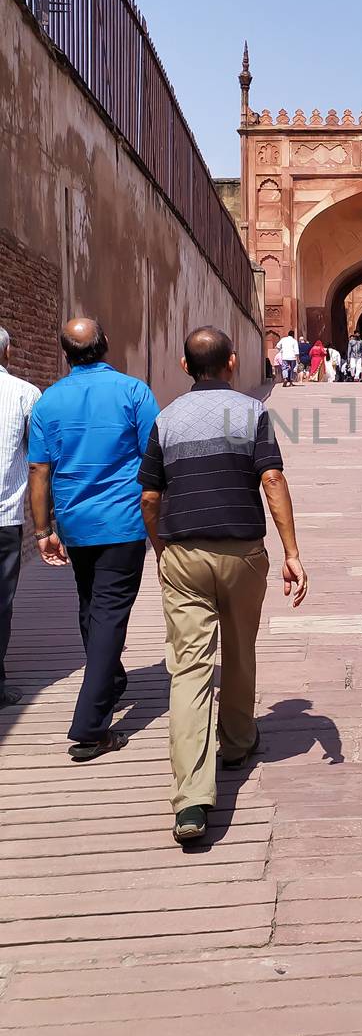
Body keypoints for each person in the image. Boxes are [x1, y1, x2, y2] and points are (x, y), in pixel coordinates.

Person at [139, 327, 309, 844]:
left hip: (184, 551)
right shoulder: (251, 413)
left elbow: (149, 496)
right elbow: (272, 479)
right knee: (239, 649)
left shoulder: (165, 419)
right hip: (242, 551)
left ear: (186, 366)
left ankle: (191, 799)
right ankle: (235, 742)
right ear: (232, 363)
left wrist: (161, 548)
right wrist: (293, 554)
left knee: (189, 669)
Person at [28, 318, 159, 759]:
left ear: (64, 352)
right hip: (122, 522)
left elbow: (39, 470)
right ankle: (89, 726)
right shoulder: (133, 393)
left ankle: (112, 680)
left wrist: (43, 530)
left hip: (75, 523)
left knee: (91, 605)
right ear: (105, 344)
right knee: (107, 613)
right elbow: (154, 459)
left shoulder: (49, 402)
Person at [0, 327, 41, 707]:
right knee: (1, 600)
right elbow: (37, 462)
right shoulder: (25, 394)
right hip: (4, 518)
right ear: (8, 353)